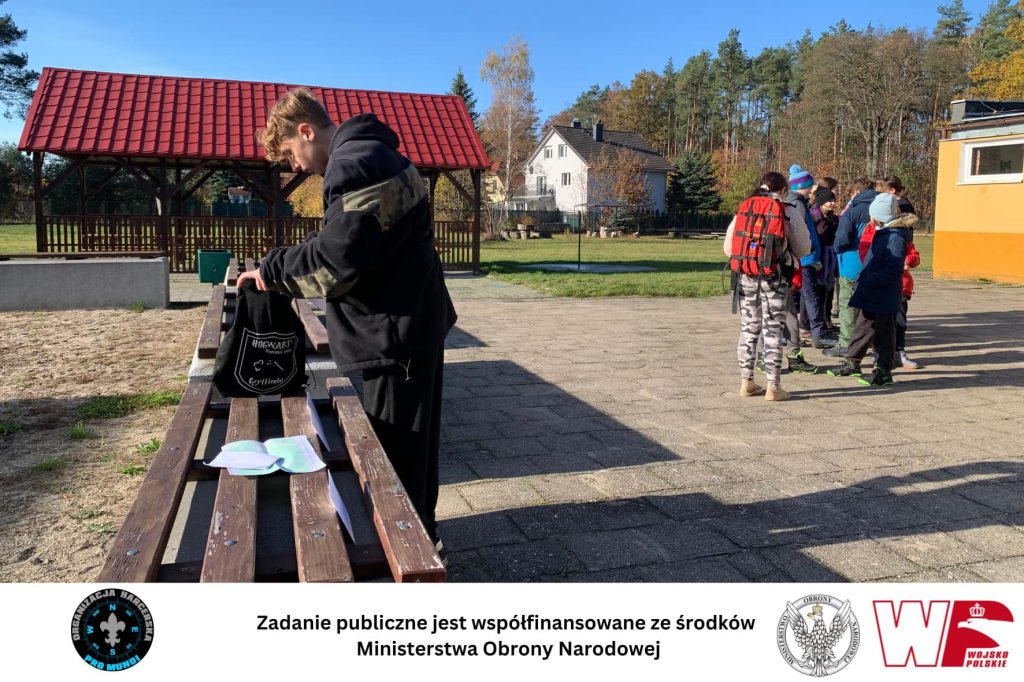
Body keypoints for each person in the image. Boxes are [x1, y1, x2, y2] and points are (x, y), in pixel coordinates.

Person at [237, 88, 456, 554]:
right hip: (411, 324)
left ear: (306, 131)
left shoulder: (353, 164)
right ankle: (424, 538)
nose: (295, 166)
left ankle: (411, 555)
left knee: (395, 457)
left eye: (290, 154)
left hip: (392, 336)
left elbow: (338, 263)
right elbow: (351, 242)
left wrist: (273, 270)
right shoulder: (374, 154)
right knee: (415, 453)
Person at [725, 171, 811, 401]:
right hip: (775, 277)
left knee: (748, 328)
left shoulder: (746, 208)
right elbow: (804, 248)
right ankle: (774, 386)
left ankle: (747, 383)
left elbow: (729, 248)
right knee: (772, 329)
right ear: (784, 191)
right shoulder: (788, 211)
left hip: (746, 276)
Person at [827, 193, 917, 386]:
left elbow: (893, 269)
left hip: (884, 294)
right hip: (872, 292)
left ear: (879, 216)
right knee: (862, 328)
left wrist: (871, 279)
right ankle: (852, 362)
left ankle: (883, 371)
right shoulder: (884, 233)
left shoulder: (895, 237)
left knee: (884, 335)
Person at [825, 177, 878, 359]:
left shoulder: (853, 212)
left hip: (851, 263)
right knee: (870, 306)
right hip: (875, 263)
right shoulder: (883, 207)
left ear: (856, 192)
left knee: (848, 305)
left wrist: (836, 249)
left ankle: (846, 343)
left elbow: (842, 239)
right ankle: (870, 341)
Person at [878, 175, 923, 369]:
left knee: (899, 319)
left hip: (901, 283)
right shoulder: (875, 233)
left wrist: (908, 261)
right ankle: (877, 355)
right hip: (881, 282)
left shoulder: (903, 234)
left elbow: (913, 254)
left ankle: (899, 351)